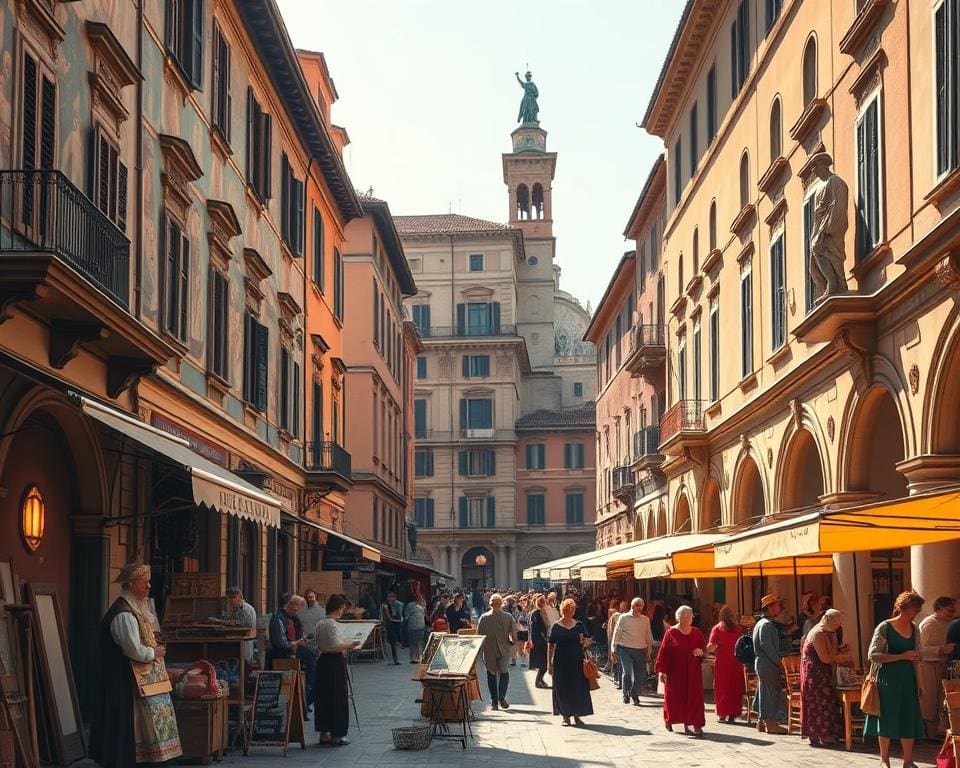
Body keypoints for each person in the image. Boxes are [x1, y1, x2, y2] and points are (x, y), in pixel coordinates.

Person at [90, 562, 182, 768]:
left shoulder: (133, 610)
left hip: (129, 678)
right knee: (123, 724)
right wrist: (154, 653)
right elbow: (135, 650)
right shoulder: (123, 614)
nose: (149, 586)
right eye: (145, 582)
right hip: (121, 679)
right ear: (131, 584)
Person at [865, 591, 927, 768]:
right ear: (905, 608)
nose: (917, 612)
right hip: (888, 678)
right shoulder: (885, 627)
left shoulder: (914, 629)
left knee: (909, 716)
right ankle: (884, 759)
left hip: (909, 677)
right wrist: (901, 656)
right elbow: (873, 655)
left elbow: (916, 656)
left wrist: (920, 682)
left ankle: (908, 760)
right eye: (916, 609)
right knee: (887, 717)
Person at [313, 594, 360, 747]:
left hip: (323, 662)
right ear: (338, 609)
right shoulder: (332, 624)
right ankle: (337, 734)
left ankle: (324, 732)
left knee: (324, 697)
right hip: (334, 661)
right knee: (337, 697)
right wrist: (350, 644)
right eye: (342, 609)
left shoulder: (320, 623)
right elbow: (335, 645)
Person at [655, 605, 706, 737]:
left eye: (691, 616)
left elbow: (703, 650)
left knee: (695, 697)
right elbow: (663, 653)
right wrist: (662, 671)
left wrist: (700, 652)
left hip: (693, 672)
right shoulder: (671, 633)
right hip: (675, 673)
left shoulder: (696, 632)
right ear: (679, 617)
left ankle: (696, 724)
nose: (690, 619)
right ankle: (671, 720)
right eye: (687, 616)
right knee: (675, 698)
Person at [800, 609, 845, 747]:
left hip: (822, 672)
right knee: (819, 702)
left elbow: (832, 653)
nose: (839, 625)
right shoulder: (819, 633)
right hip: (815, 673)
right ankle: (821, 734)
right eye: (837, 622)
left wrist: (835, 642)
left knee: (827, 701)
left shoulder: (829, 632)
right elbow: (826, 658)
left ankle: (826, 733)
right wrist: (839, 657)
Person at [268, 594, 318, 712]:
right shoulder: (278, 619)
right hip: (282, 654)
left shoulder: (294, 618)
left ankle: (310, 693)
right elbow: (281, 644)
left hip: (294, 650)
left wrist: (302, 640)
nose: (299, 609)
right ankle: (311, 691)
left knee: (312, 656)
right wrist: (296, 642)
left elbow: (299, 634)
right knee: (310, 659)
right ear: (292, 605)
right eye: (298, 605)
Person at [547, 597, 593, 726]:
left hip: (577, 660)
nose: (570, 612)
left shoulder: (579, 625)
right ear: (563, 610)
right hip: (560, 660)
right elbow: (550, 645)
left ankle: (577, 715)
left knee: (577, 687)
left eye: (572, 610)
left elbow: (587, 640)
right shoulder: (556, 626)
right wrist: (549, 664)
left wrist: (585, 642)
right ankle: (565, 716)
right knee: (561, 687)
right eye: (568, 610)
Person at [919, 596, 957, 736]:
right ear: (939, 609)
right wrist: (941, 649)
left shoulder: (949, 623)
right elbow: (920, 649)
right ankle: (929, 734)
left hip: (942, 666)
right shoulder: (929, 624)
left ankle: (935, 733)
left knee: (941, 700)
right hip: (929, 666)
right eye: (949, 610)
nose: (952, 612)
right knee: (930, 701)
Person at [752, 593, 787, 734]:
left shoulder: (761, 623)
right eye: (777, 605)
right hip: (767, 663)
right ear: (771, 608)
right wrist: (779, 662)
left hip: (763, 662)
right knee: (770, 694)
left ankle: (762, 721)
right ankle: (771, 723)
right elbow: (767, 646)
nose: (780, 608)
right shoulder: (766, 625)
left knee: (764, 692)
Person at [610, 597, 654, 705]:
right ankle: (626, 694)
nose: (639, 608)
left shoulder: (645, 620)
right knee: (628, 673)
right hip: (625, 649)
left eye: (641, 606)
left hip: (640, 650)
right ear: (632, 606)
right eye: (637, 605)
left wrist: (649, 651)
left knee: (641, 676)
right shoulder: (624, 618)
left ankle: (634, 693)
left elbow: (648, 636)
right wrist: (613, 647)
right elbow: (617, 632)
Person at [477, 594, 517, 710]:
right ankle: (501, 697)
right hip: (503, 649)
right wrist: (514, 643)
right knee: (504, 673)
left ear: (490, 604)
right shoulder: (508, 617)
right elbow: (514, 632)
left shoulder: (484, 617)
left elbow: (479, 635)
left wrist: (479, 651)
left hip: (489, 649)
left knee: (492, 674)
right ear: (500, 604)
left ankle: (495, 701)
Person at [706, 605, 745, 723]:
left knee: (721, 687)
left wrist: (708, 647)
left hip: (722, 662)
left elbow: (710, 647)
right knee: (735, 687)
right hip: (736, 662)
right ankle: (733, 713)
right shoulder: (738, 629)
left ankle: (722, 714)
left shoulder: (717, 628)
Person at [222, 586, 258, 663]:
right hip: (233, 644)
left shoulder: (247, 609)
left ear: (240, 597)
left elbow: (246, 627)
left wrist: (231, 624)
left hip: (244, 644)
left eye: (233, 597)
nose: (231, 600)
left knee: (244, 665)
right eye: (229, 598)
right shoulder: (231, 609)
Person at [530, 595, 552, 688]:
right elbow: (536, 628)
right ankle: (537, 681)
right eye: (543, 601)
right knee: (542, 663)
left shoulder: (544, 612)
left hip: (545, 640)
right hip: (540, 641)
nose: (545, 603)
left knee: (544, 662)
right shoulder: (536, 613)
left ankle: (541, 680)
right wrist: (544, 637)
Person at [404, 594, 427, 664]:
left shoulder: (422, 606)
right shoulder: (410, 605)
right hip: (413, 626)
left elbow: (424, 614)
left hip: (420, 626)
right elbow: (406, 616)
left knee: (419, 642)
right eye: (420, 598)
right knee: (413, 643)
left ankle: (419, 657)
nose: (421, 599)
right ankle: (414, 658)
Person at [381, 591, 403, 665]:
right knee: (392, 642)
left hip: (396, 625)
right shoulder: (385, 606)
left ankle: (395, 659)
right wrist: (399, 620)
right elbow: (388, 618)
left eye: (393, 597)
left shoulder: (396, 605)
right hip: (390, 625)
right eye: (390, 597)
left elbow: (398, 613)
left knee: (394, 642)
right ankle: (393, 659)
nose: (391, 598)